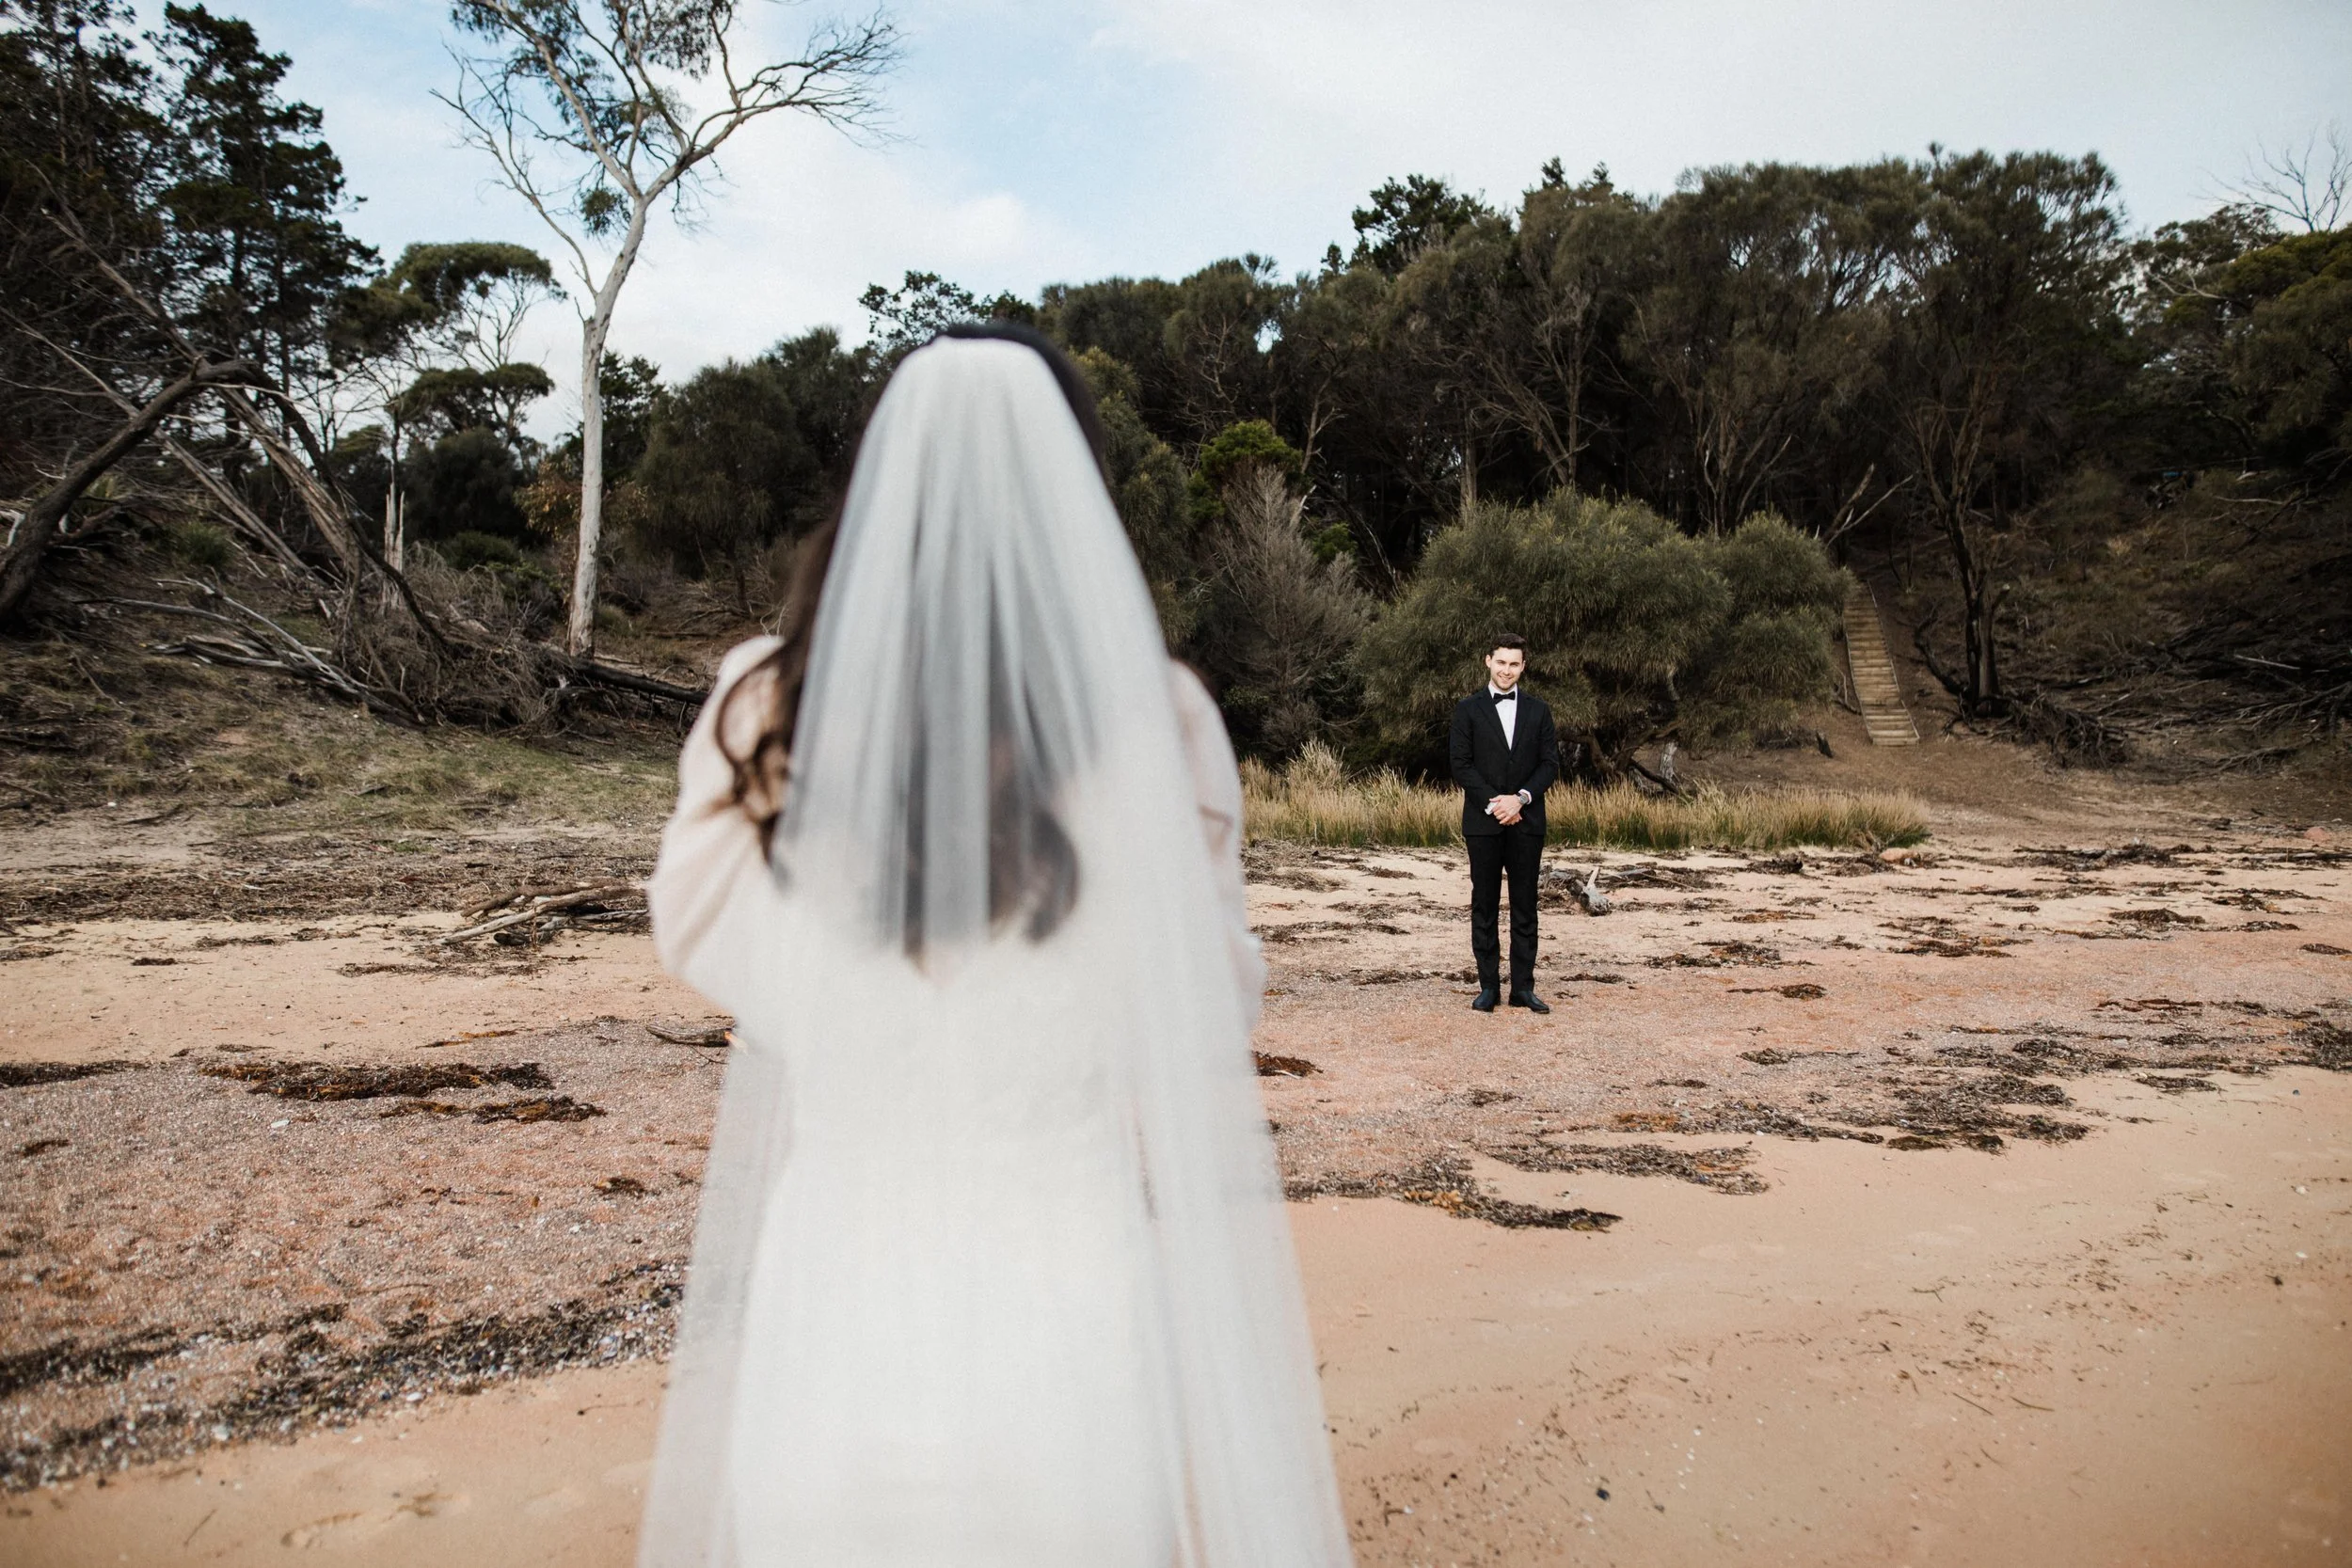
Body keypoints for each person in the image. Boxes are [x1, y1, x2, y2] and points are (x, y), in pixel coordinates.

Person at [635, 324, 1352, 1568]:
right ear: (1072, 496)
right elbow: (1204, 1007)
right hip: (1066, 1333)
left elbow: (698, 933)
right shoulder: (1155, 718)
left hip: (835, 1312)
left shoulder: (766, 702)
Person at [1448, 633, 1561, 1014]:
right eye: (1501, 662)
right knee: (1484, 904)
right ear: (1488, 661)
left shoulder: (1539, 710)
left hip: (1527, 820)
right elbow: (1460, 764)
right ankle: (1488, 988)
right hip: (1483, 823)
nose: (1507, 670)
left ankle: (1523, 989)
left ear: (1523, 667)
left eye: (1514, 664)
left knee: (1526, 905)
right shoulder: (1467, 709)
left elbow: (1550, 764)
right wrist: (1496, 804)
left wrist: (1521, 799)